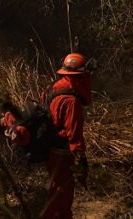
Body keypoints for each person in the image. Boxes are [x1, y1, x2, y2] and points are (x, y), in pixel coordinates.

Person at [43, 53, 93, 219]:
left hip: (51, 151)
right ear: (81, 75)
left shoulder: (54, 88)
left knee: (55, 191)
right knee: (62, 195)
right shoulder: (71, 100)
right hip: (62, 154)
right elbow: (74, 134)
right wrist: (81, 159)